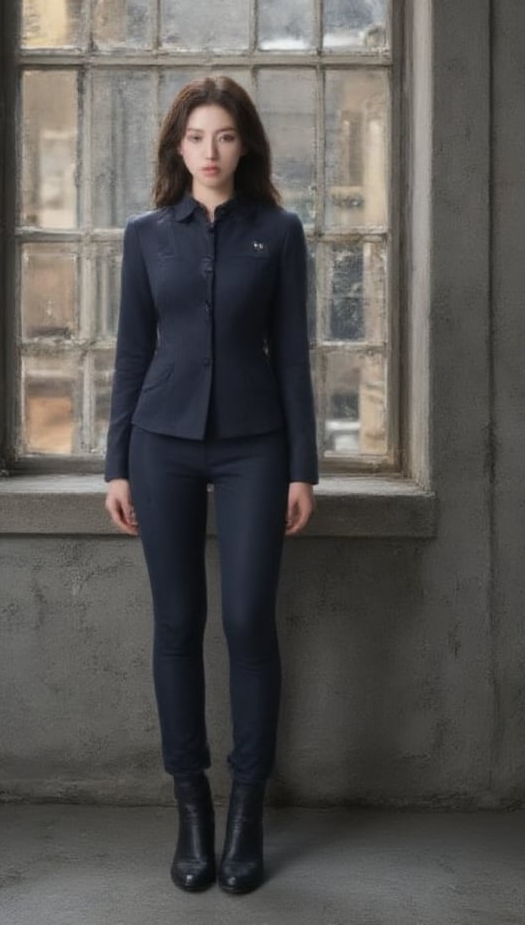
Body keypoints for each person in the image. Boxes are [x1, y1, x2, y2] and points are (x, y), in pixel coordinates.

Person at [104, 74, 317, 895]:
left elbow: (294, 358)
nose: (211, 151)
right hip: (161, 445)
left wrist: (304, 467)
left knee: (246, 621)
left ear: (246, 145)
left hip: (257, 448)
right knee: (178, 623)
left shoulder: (280, 232)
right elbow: (131, 355)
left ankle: (247, 816)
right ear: (177, 147)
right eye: (197, 137)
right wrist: (116, 462)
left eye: (225, 136)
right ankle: (191, 811)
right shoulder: (147, 235)